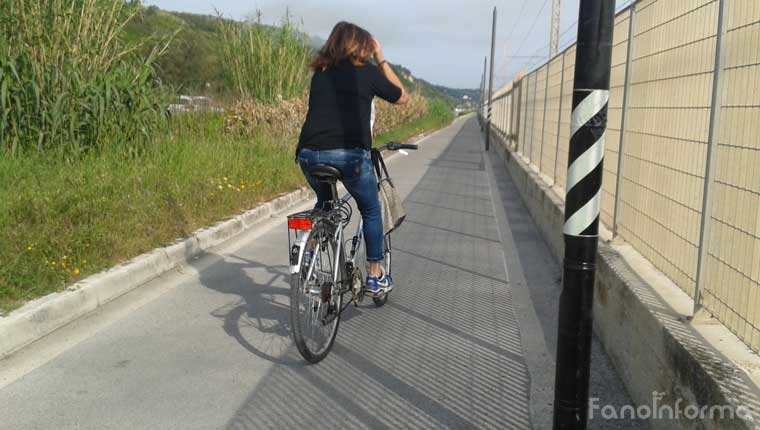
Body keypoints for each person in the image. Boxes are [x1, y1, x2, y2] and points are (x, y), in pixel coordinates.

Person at [296, 21, 408, 294]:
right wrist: (380, 57)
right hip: (349, 156)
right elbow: (402, 97)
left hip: (309, 155)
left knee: (324, 204)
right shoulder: (367, 73)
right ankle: (375, 275)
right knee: (370, 209)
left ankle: (308, 252)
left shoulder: (320, 73)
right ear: (360, 46)